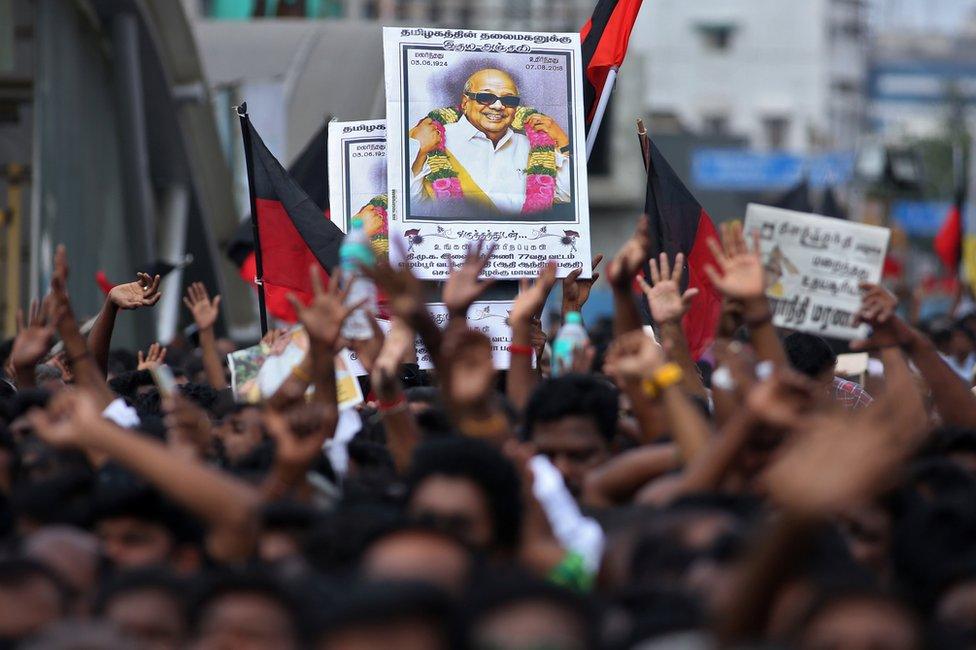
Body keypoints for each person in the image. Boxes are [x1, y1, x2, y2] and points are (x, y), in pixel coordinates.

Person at [408, 68, 572, 214]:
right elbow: (412, 204)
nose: (498, 106)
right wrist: (420, 153)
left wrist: (563, 142)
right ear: (465, 103)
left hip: (517, 245)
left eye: (508, 100)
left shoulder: (532, 147)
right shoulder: (432, 139)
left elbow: (566, 195)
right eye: (485, 97)